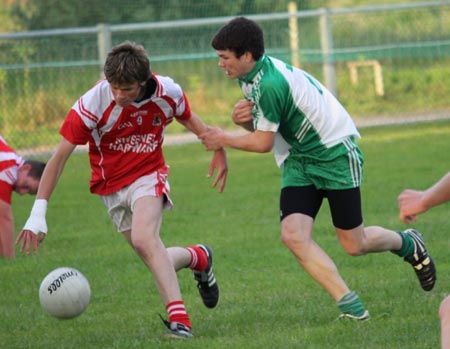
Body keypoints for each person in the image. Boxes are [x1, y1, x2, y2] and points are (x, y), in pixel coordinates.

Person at [199, 16, 436, 321]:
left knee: (355, 244)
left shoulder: (269, 83)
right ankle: (352, 308)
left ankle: (408, 242)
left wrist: (224, 137)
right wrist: (240, 122)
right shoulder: (249, 76)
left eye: (224, 58)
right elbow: (268, 128)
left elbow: (262, 144)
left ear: (246, 56)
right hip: (300, 160)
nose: (220, 64)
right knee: (293, 235)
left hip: (333, 154)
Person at [15, 41, 228, 339]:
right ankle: (198, 257)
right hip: (110, 187)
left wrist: (217, 148)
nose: (118, 94)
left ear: (143, 81)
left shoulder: (168, 92)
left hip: (148, 174)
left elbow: (189, 117)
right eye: (114, 87)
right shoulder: (93, 103)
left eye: (126, 89)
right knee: (153, 255)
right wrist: (38, 212)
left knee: (144, 239)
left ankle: (181, 322)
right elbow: (59, 158)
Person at [0, 135, 45, 258]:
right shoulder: (7, 168)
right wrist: (10, 258)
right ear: (25, 168)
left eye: (28, 192)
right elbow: (4, 218)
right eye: (26, 186)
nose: (21, 193)